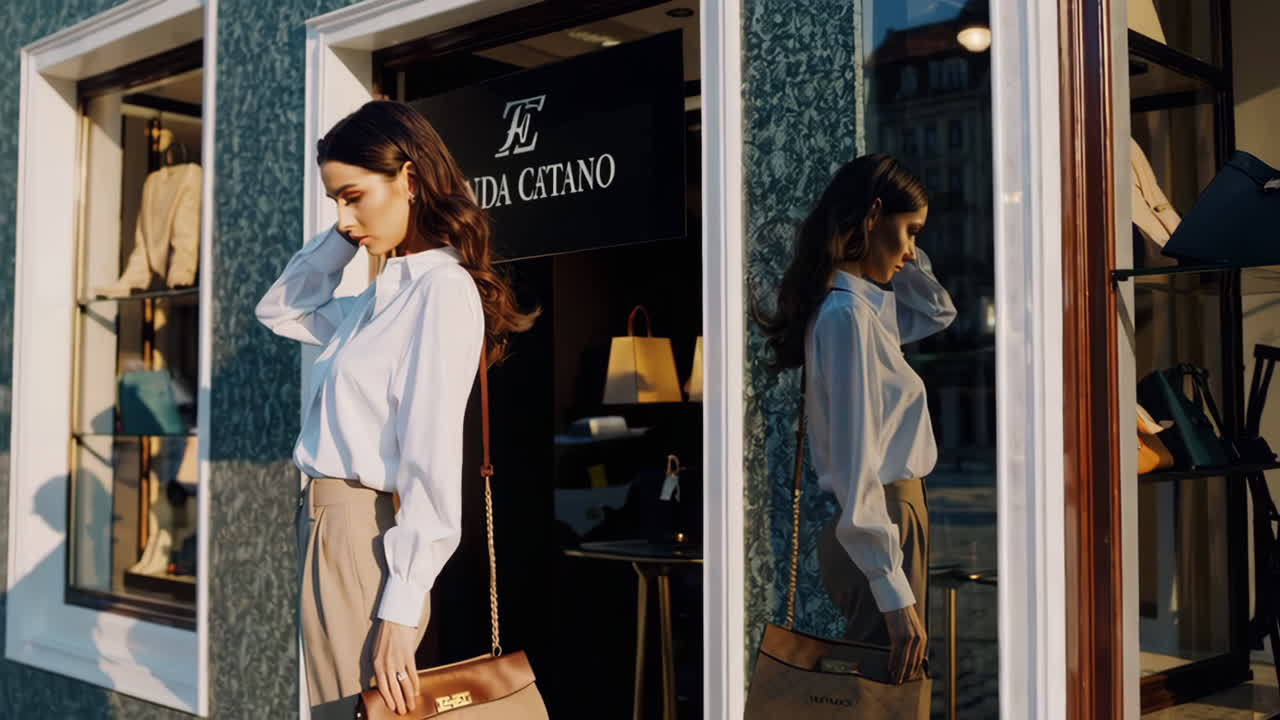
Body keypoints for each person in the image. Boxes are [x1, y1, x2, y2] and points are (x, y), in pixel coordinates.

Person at [255, 101, 537, 719]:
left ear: (410, 180)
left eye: (353, 197)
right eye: (334, 203)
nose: (346, 219)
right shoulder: (378, 297)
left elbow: (432, 463)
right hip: (327, 528)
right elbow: (281, 308)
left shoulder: (441, 291)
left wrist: (401, 612)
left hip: (362, 534)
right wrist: (343, 234)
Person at [756, 154, 956, 696]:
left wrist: (898, 251)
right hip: (884, 515)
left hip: (892, 516)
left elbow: (938, 312)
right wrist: (893, 592)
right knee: (881, 697)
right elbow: (855, 467)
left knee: (885, 693)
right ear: (873, 214)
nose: (912, 249)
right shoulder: (847, 318)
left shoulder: (864, 313)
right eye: (910, 231)